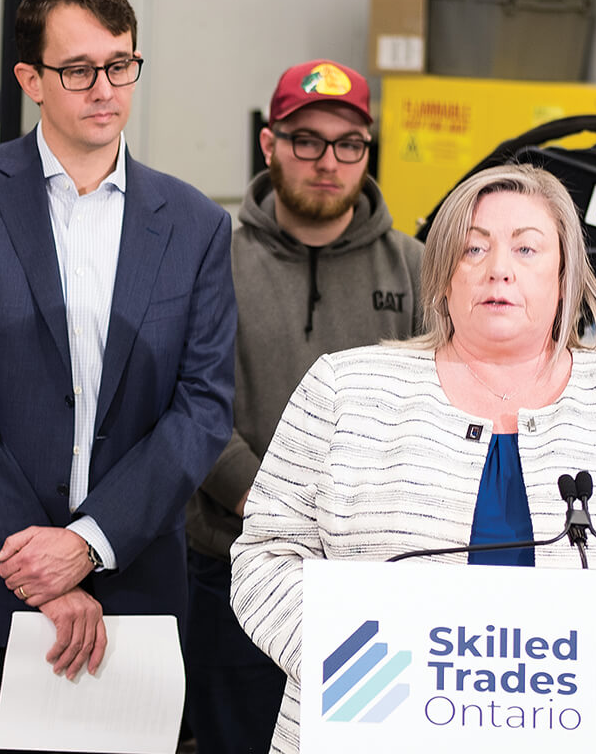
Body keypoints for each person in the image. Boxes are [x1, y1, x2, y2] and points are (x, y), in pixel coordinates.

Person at [230, 163, 596, 754]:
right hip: (373, 723)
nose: (499, 267)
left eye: (527, 248)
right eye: (473, 248)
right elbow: (267, 556)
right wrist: (368, 669)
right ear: (442, 273)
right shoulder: (344, 388)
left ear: (565, 276)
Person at [0, 0, 235, 752]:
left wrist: (87, 546)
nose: (104, 89)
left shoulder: (193, 224)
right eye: (78, 70)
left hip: (132, 589)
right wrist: (35, 563)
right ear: (30, 81)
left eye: (120, 65)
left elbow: (203, 405)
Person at [183, 59, 422, 753]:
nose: (328, 162)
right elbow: (197, 409)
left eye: (349, 144)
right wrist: (278, 509)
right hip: (233, 572)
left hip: (374, 586)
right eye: (306, 140)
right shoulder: (214, 262)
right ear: (269, 143)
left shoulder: (412, 266)